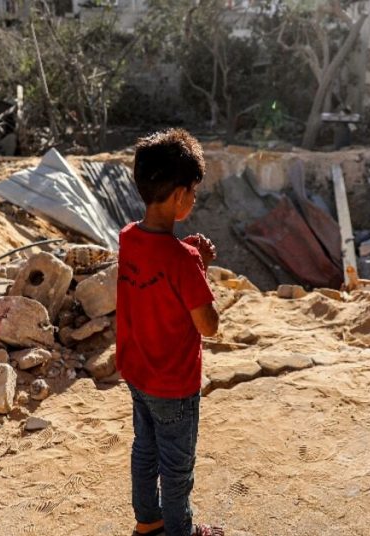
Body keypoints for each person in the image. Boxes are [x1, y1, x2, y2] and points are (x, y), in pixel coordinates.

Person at [117, 128, 224, 536]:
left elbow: (157, 279)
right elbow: (208, 325)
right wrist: (198, 265)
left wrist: (193, 258)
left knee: (145, 451)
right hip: (174, 385)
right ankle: (181, 531)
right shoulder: (183, 261)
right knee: (177, 469)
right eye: (193, 191)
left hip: (137, 373)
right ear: (180, 195)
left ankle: (148, 522)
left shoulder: (128, 237)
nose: (193, 198)